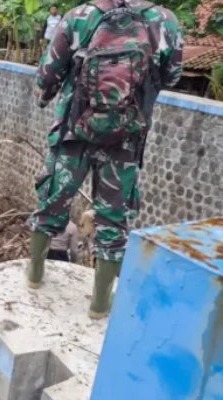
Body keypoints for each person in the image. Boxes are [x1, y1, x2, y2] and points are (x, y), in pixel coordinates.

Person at [28, 0, 183, 319]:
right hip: (125, 139)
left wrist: (47, 97)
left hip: (74, 131)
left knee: (52, 203)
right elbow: (171, 76)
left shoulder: (80, 17)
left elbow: (47, 75)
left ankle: (34, 276)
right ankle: (99, 305)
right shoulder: (163, 21)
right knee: (113, 220)